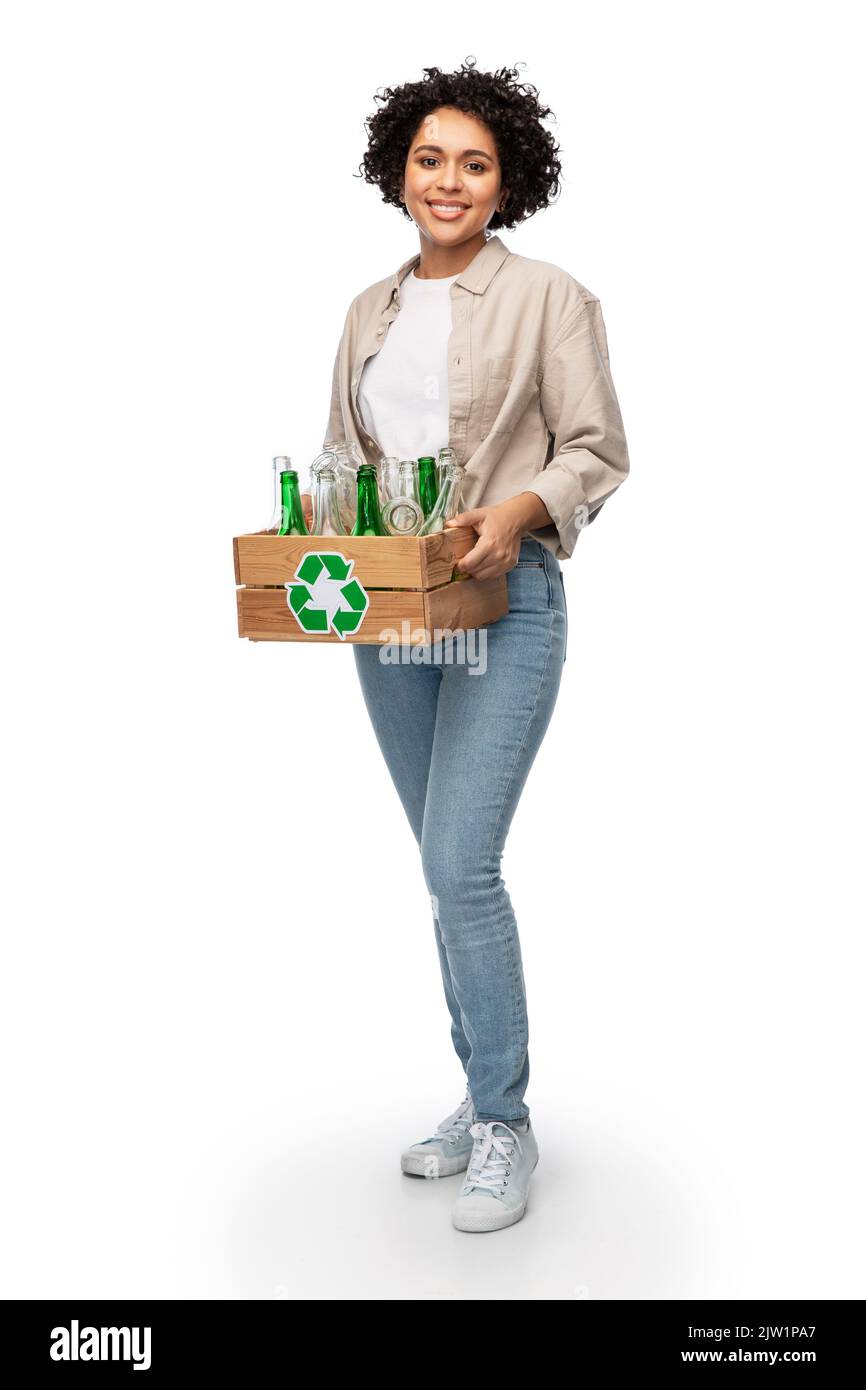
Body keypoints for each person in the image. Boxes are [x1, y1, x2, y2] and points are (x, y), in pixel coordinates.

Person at [307, 59, 630, 1233]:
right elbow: (339, 459)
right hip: (389, 617)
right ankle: (474, 1091)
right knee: (439, 877)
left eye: (475, 164)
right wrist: (315, 548)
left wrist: (514, 513)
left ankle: (504, 1117)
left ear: (506, 183)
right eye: (430, 159)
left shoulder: (549, 296)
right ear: (399, 171)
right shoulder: (365, 312)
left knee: (461, 867)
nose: (449, 181)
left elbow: (595, 448)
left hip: (506, 603)